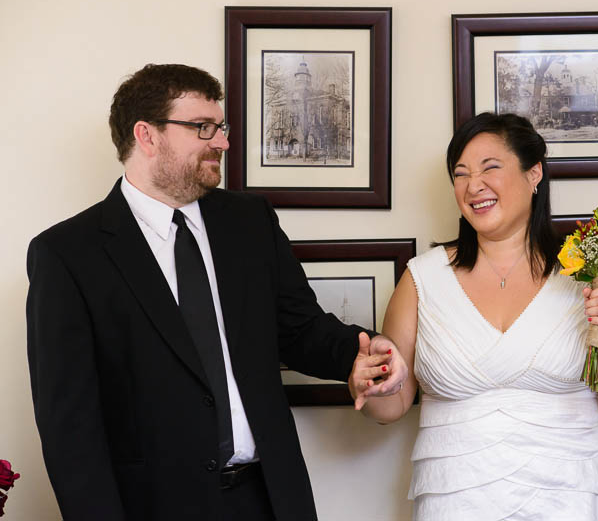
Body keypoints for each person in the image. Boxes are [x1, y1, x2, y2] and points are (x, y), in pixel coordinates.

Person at [26, 63, 406, 521]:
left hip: (269, 500)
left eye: (220, 127)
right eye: (202, 128)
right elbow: (70, 428)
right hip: (152, 508)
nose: (223, 142)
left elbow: (300, 329)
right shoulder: (67, 254)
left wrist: (361, 352)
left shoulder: (250, 221)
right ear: (146, 135)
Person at [353, 113, 598, 520]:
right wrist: (375, 385)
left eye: (489, 168)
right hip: (453, 503)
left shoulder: (590, 275)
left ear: (534, 175)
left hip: (570, 502)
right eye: (460, 174)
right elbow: (390, 408)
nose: (473, 185)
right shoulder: (421, 280)